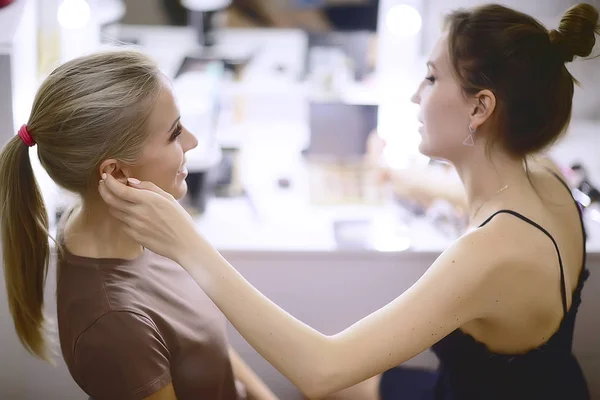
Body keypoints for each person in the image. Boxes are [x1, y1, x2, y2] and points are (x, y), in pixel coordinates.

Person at [98, 3, 598, 400]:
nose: (413, 96)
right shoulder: (543, 174)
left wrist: (188, 243)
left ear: (480, 106)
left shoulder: (488, 254)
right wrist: (396, 177)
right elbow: (463, 193)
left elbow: (321, 370)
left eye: (430, 77)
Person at [0, 50, 278, 400]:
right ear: (115, 173)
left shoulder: (142, 228)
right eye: (175, 133)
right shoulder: (115, 324)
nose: (193, 141)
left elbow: (204, 338)